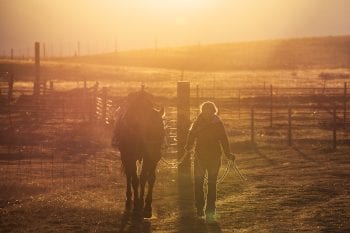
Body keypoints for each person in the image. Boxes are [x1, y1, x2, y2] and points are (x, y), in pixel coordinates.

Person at [184, 101, 235, 221]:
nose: (207, 113)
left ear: (213, 111)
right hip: (200, 157)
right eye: (205, 110)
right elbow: (191, 135)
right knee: (198, 183)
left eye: (210, 111)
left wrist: (228, 154)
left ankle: (210, 209)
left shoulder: (218, 124)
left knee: (212, 184)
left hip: (214, 156)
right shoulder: (198, 122)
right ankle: (200, 208)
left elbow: (223, 139)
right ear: (202, 111)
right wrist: (188, 146)